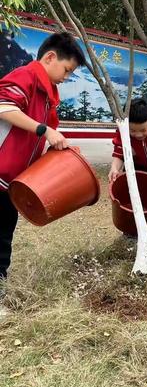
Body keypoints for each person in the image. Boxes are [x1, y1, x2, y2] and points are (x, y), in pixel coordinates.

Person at [0, 32, 86, 310]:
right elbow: (2, 106)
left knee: (3, 237)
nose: (67, 77)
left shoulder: (48, 95)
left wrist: (61, 148)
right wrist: (44, 130)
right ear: (50, 58)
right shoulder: (25, 77)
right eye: (67, 70)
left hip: (13, 182)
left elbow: (49, 135)